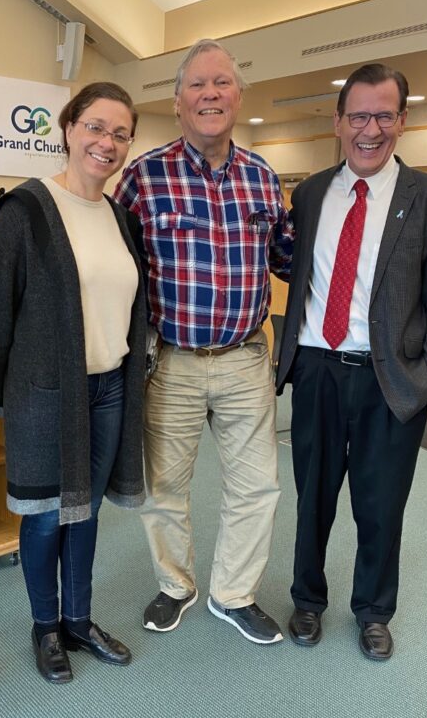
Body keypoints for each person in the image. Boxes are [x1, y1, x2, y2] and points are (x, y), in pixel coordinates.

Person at [276, 63, 427, 660]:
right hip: (317, 371)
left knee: (381, 505)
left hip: (393, 380)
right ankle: (307, 599)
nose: (370, 128)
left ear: (403, 121)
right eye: (358, 115)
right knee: (312, 498)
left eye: (384, 115)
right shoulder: (307, 194)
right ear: (337, 122)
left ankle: (374, 610)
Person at [114, 39, 293, 644]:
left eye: (221, 83)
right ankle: (175, 586)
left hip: (245, 359)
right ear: (178, 99)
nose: (210, 94)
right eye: (197, 85)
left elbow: (289, 258)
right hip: (172, 362)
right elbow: (118, 267)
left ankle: (233, 594)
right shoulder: (143, 176)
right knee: (164, 487)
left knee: (257, 487)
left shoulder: (263, 177)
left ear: (239, 96)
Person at [0, 82, 145, 685]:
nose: (107, 142)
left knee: (87, 511)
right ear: (68, 128)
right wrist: (2, 398)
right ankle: (45, 627)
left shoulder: (121, 218)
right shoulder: (25, 210)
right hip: (45, 396)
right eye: (96, 127)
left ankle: (79, 620)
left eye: (121, 133)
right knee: (47, 515)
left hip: (110, 391)